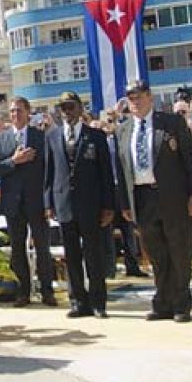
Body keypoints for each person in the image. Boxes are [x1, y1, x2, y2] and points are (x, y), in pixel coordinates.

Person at [115, 82, 192, 322]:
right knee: (156, 253)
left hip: (172, 195)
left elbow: (189, 161)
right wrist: (125, 203)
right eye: (130, 98)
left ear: (149, 97)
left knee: (178, 249)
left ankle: (182, 303)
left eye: (139, 97)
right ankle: (162, 301)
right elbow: (122, 171)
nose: (135, 102)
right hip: (142, 198)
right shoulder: (123, 130)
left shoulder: (171, 122)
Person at [45, 92, 118, 318]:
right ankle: (78, 301)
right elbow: (49, 173)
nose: (67, 111)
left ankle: (98, 302)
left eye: (70, 106)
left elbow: (106, 173)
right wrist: (49, 203)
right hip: (64, 203)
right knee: (72, 256)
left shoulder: (95, 136)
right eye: (63, 107)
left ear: (80, 108)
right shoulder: (52, 136)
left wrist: (108, 205)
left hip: (91, 204)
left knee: (94, 255)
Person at [0, 97, 56, 307]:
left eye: (19, 110)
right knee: (17, 250)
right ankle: (23, 293)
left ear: (28, 112)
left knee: (42, 248)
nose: (15, 115)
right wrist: (14, 161)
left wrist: (48, 201)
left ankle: (47, 292)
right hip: (12, 202)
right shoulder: (1, 139)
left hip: (36, 202)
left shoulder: (40, 137)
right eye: (11, 111)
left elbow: (49, 169)